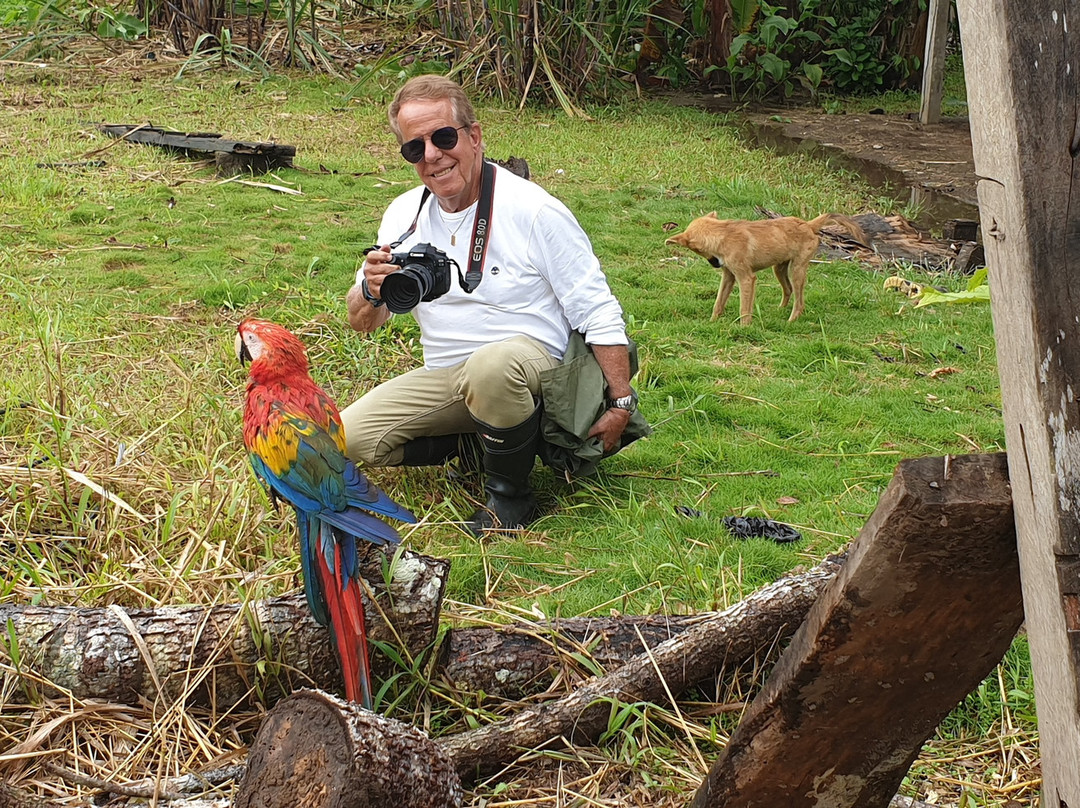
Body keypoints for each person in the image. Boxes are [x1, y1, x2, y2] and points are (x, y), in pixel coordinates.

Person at [342, 74, 641, 536]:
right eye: (414, 148)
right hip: (450, 374)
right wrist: (370, 288)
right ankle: (482, 445)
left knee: (491, 368)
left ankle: (510, 499)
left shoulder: (533, 210)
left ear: (475, 136)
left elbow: (596, 309)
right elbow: (362, 322)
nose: (432, 155)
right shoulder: (404, 213)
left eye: (443, 137)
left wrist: (620, 401)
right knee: (351, 438)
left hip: (531, 365)